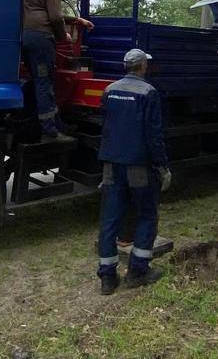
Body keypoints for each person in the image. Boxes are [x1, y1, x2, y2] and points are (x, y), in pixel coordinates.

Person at [95, 48, 171, 295]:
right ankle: (138, 271)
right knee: (147, 215)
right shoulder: (149, 92)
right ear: (142, 67)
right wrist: (162, 166)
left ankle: (107, 278)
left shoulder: (109, 90)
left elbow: (104, 125)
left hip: (110, 164)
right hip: (138, 165)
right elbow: (154, 135)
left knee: (110, 219)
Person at [22, 0, 93, 141]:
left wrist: (77, 21)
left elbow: (49, 13)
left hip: (28, 39)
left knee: (37, 82)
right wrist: (63, 37)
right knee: (45, 84)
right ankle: (50, 131)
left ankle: (52, 124)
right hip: (41, 40)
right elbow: (55, 18)